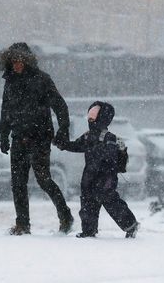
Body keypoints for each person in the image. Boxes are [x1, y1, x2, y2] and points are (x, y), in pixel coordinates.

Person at [0, 42, 74, 235]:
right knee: (18, 182)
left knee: (43, 179)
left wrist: (63, 129)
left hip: (39, 138)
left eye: (19, 61)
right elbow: (5, 110)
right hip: (18, 138)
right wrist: (3, 135)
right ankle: (22, 224)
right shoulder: (10, 82)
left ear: (27, 61)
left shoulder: (42, 80)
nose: (16, 65)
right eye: (13, 61)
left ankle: (65, 215)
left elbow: (60, 106)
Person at [56, 101, 139, 238]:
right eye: (90, 115)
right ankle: (89, 230)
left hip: (106, 177)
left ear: (103, 117)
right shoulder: (88, 136)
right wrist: (64, 144)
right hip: (89, 176)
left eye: (94, 116)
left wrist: (101, 156)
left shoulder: (109, 138)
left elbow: (111, 157)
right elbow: (77, 146)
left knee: (110, 201)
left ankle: (130, 225)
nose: (90, 119)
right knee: (88, 203)